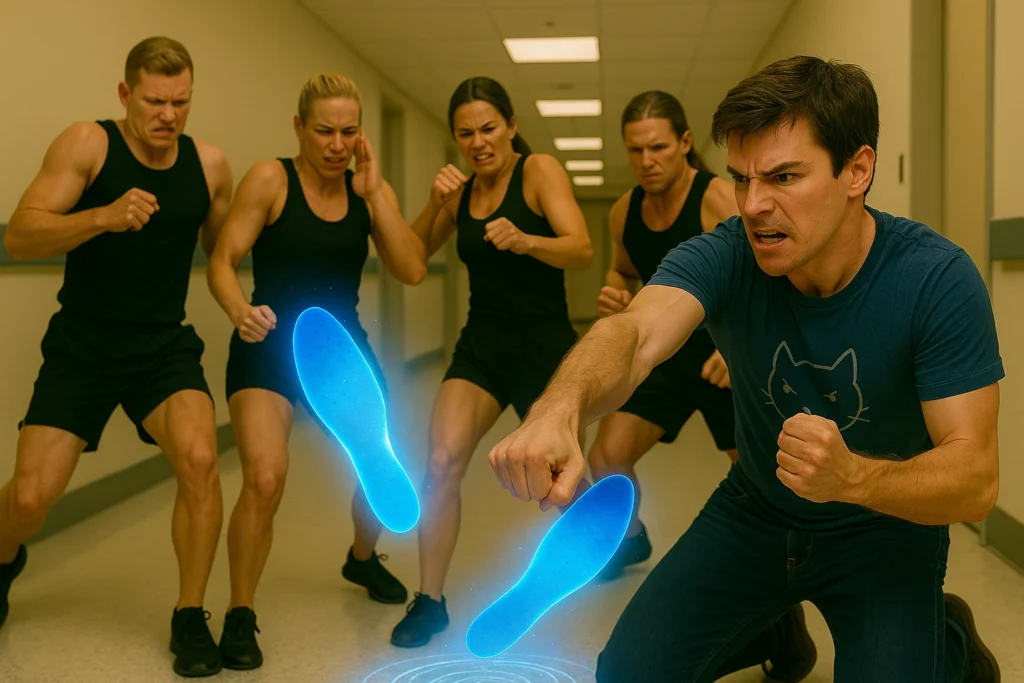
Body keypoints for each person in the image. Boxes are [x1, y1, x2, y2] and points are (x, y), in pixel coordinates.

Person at [488, 55, 1003, 683]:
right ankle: (773, 622)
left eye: (783, 177)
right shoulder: (729, 252)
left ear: (857, 170)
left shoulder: (935, 279)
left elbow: (975, 479)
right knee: (625, 673)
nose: (755, 205)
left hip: (885, 524)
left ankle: (948, 639)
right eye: (741, 178)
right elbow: (634, 332)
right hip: (756, 512)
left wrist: (854, 478)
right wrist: (558, 409)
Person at [0, 37, 233, 678]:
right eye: (155, 101)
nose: (168, 115)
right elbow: (20, 235)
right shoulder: (88, 144)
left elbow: (224, 252)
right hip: (84, 343)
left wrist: (250, 302)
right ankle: (2, 558)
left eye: (181, 102)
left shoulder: (211, 165)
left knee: (200, 459)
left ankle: (190, 615)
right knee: (30, 498)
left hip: (162, 344)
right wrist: (100, 217)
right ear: (126, 93)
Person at [207, 73, 426, 670]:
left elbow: (411, 269)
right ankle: (240, 612)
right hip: (268, 342)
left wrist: (377, 195)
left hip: (338, 351)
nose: (337, 144)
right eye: (325, 131)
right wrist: (238, 310)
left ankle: (361, 558)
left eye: (349, 132)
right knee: (265, 477)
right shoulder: (270, 179)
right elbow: (223, 260)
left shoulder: (366, 189)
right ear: (299, 127)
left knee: (380, 464)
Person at [390, 76, 594, 649]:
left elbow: (581, 249)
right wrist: (434, 203)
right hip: (481, 346)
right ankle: (429, 600)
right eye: (465, 134)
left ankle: (596, 559)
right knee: (440, 461)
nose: (478, 142)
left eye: (488, 128)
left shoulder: (538, 171)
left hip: (544, 350)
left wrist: (528, 240)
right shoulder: (459, 193)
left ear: (511, 127)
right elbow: (410, 264)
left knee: (562, 482)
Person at [590, 90, 738, 580]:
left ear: (685, 143)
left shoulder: (717, 199)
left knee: (759, 476)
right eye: (636, 150)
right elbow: (622, 270)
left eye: (658, 147)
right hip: (662, 356)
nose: (647, 160)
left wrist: (735, 349)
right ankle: (630, 539)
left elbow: (766, 278)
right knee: (606, 456)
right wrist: (616, 294)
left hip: (723, 357)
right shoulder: (623, 211)